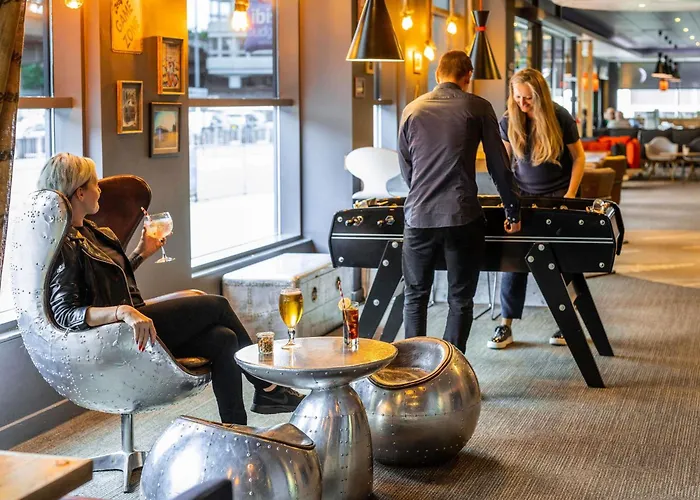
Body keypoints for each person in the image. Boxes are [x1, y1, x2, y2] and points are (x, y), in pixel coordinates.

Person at [39, 153, 303, 425]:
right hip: (117, 335)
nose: (100, 190)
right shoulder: (66, 245)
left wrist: (141, 252)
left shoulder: (93, 232)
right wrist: (123, 312)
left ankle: (236, 428)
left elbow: (113, 281)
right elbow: (65, 313)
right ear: (80, 193)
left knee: (223, 339)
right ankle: (267, 386)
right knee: (217, 306)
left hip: (136, 322)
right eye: (95, 184)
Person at [397, 50, 522, 354]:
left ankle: (414, 369)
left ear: (437, 74)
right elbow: (498, 165)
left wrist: (423, 196)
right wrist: (512, 209)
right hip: (462, 216)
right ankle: (450, 371)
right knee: (460, 299)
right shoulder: (477, 106)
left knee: (415, 297)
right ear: (468, 76)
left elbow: (406, 166)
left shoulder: (412, 109)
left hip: (418, 216)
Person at [488, 68, 585, 350]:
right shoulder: (508, 119)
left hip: (558, 196)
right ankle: (505, 324)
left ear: (540, 95)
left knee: (561, 262)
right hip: (523, 197)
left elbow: (579, 158)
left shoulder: (560, 116)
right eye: (517, 97)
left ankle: (567, 322)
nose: (522, 103)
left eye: (528, 98)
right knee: (513, 260)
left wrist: (570, 196)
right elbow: (504, 164)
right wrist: (507, 200)